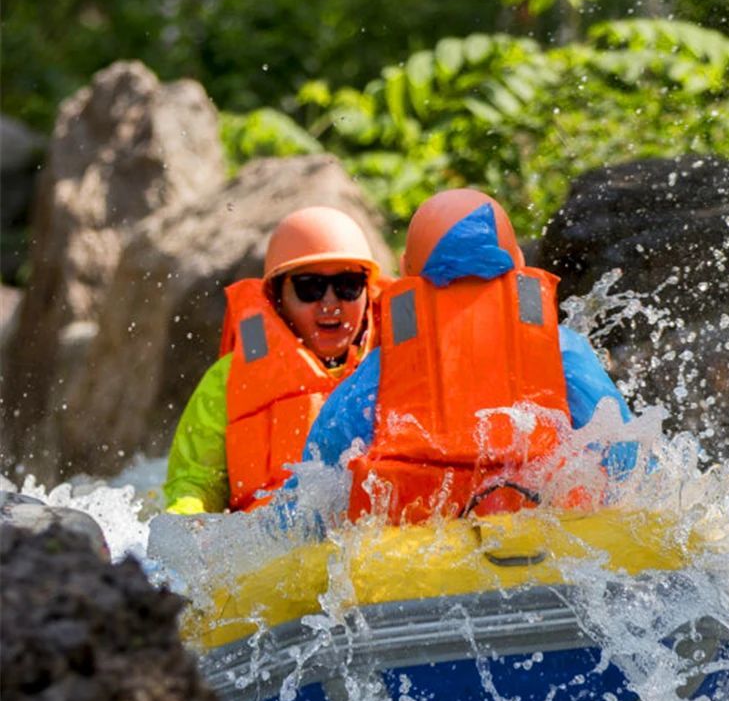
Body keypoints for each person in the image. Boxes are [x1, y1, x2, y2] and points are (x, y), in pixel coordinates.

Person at [300, 188, 637, 525]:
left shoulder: (379, 374)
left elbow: (310, 497)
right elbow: (630, 462)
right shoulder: (564, 352)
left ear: (406, 271)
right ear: (518, 263)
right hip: (551, 544)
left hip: (424, 555)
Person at [164, 207, 383, 515]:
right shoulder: (226, 380)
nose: (331, 302)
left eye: (348, 285)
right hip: (269, 544)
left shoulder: (397, 368)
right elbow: (195, 482)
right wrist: (190, 520)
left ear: (367, 292)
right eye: (311, 287)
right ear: (278, 298)